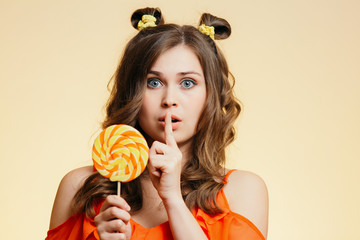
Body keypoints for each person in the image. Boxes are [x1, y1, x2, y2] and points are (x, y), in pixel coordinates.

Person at [46, 7, 268, 240]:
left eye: (188, 83)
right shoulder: (78, 188)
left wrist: (172, 197)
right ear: (133, 93)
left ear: (211, 94)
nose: (169, 100)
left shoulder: (243, 191)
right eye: (153, 82)